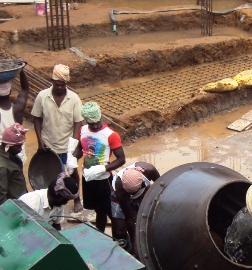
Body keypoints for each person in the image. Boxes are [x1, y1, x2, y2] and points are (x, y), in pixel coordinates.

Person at [74, 102, 125, 233]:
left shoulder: (111, 135)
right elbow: (80, 148)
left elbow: (121, 159)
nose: (95, 125)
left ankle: (120, 240)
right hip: (89, 179)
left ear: (100, 116)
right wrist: (72, 158)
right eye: (92, 123)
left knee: (112, 212)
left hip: (104, 180)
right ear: (86, 121)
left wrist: (103, 169)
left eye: (97, 121)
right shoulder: (83, 130)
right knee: (99, 211)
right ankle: (101, 237)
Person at [31, 64, 83, 166]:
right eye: (57, 84)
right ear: (52, 81)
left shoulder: (74, 98)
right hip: (48, 146)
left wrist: (74, 144)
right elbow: (36, 118)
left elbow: (78, 122)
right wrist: (40, 141)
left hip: (67, 147)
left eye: (62, 84)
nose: (59, 87)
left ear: (66, 83)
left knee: (71, 174)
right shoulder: (42, 96)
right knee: (51, 175)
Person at [109, 162, 159, 253]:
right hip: (121, 196)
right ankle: (124, 250)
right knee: (119, 231)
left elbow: (161, 185)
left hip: (142, 191)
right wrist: (134, 244)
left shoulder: (150, 171)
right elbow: (129, 217)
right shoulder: (120, 188)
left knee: (148, 220)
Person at [0, 124, 28, 208]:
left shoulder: (7, 154)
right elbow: (0, 197)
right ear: (8, 146)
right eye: (18, 146)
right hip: (14, 208)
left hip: (20, 201)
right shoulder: (2, 167)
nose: (20, 149)